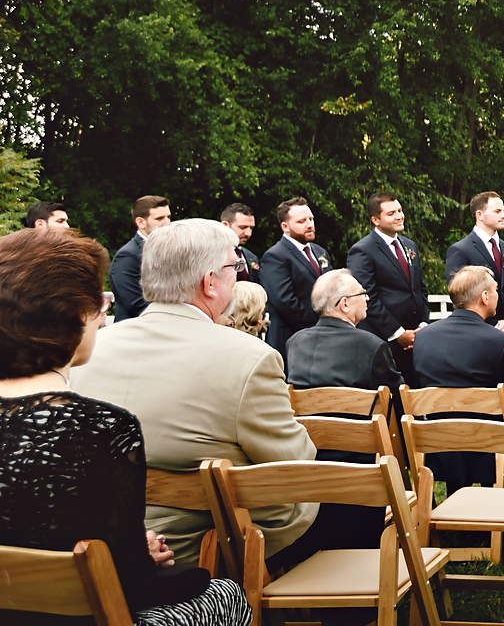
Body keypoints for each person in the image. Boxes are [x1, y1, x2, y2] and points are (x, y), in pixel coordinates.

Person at [0, 229, 251, 626]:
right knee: (226, 592)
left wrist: (127, 548)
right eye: (99, 301)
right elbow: (133, 587)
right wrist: (141, 557)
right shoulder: (102, 428)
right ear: (72, 315)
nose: (104, 312)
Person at [72, 218, 319, 568]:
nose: (240, 274)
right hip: (200, 553)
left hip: (95, 546)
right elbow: (293, 464)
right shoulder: (250, 357)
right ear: (210, 282)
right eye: (235, 266)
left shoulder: (90, 348)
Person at [411, 266, 504, 495]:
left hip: (437, 447)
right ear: (485, 297)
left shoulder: (423, 338)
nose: (498, 295)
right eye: (496, 290)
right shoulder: (499, 342)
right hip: (487, 449)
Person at [346, 192, 429, 384]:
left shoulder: (409, 246)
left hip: (415, 340)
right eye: (391, 213)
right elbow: (367, 297)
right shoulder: (363, 250)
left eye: (400, 211)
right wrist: (399, 334)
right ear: (375, 220)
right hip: (383, 341)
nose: (399, 216)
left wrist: (422, 327)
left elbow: (419, 289)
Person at [285, 269, 402, 395]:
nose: (367, 298)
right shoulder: (372, 346)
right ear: (345, 304)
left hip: (306, 415)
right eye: (362, 293)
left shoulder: (294, 343)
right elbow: (397, 399)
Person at [445, 191, 504, 338]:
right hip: (473, 334)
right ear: (479, 214)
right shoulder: (460, 250)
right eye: (498, 211)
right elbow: (459, 296)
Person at [262, 197, 331, 361]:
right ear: (285, 226)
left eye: (311, 219)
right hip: (291, 338)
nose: (309, 224)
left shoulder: (320, 252)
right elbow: (284, 301)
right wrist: (319, 325)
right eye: (301, 221)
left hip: (324, 337)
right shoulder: (275, 256)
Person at [110, 194, 172, 321]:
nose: (167, 223)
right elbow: (136, 304)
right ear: (140, 222)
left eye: (168, 217)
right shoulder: (127, 256)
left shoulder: (171, 250)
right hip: (135, 333)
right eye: (160, 218)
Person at [221, 202, 260, 286]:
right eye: (243, 227)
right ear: (225, 225)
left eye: (251, 228)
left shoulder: (251, 257)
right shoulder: (212, 255)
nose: (248, 233)